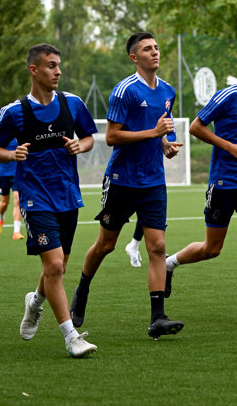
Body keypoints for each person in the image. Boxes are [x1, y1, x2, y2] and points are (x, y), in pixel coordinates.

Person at [70, 32, 185, 338]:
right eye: (147, 49)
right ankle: (82, 289)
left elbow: (163, 128)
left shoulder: (168, 90)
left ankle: (158, 318)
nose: (155, 52)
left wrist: (166, 144)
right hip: (122, 180)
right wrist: (153, 133)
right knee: (106, 245)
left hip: (153, 182)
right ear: (134, 57)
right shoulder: (125, 91)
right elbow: (111, 137)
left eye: (156, 47)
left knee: (157, 247)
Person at [0, 43, 98, 357]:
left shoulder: (72, 103)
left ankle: (35, 302)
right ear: (34, 70)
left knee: (58, 267)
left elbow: (89, 137)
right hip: (34, 197)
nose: (58, 71)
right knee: (54, 265)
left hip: (67, 195)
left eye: (59, 65)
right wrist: (12, 154)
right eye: (51, 66)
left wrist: (80, 146)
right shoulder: (15, 112)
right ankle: (71, 337)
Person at [164, 51, 237, 325]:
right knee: (212, 248)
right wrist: (228, 146)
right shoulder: (227, 96)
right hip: (223, 183)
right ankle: (169, 263)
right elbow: (195, 127)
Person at [0, 139, 24, 240]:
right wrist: (5, 154)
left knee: (18, 200)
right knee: (4, 202)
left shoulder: (20, 132)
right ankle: (0, 218)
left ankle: (16, 232)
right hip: (3, 173)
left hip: (17, 172)